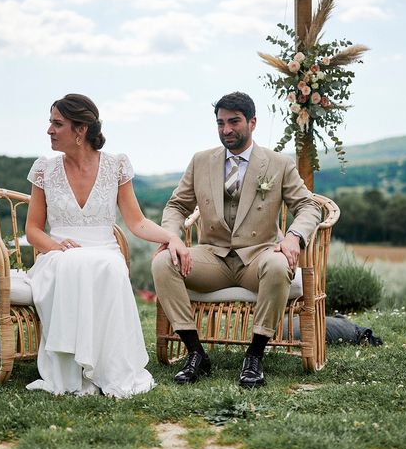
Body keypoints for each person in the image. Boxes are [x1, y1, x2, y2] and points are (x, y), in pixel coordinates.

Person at [151, 91, 321, 388]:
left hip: (258, 258)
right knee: (164, 262)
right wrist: (172, 237)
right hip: (212, 258)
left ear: (252, 122)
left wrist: (294, 237)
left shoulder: (278, 163)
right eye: (220, 123)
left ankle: (254, 356)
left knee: (280, 265)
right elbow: (177, 205)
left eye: (234, 122)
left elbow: (308, 206)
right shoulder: (201, 161)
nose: (226, 130)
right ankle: (195, 353)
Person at [25, 93, 190, 397]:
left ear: (80, 130)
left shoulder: (116, 166)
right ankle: (70, 370)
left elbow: (137, 222)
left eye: (56, 123)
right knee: (71, 264)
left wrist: (172, 237)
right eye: (50, 122)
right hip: (58, 254)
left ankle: (108, 368)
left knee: (109, 267)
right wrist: (54, 247)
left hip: (104, 250)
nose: (49, 129)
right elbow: (33, 229)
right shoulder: (44, 169)